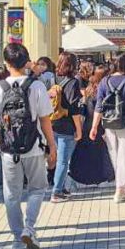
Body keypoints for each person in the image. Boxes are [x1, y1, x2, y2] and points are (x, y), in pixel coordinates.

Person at [0, 44, 56, 249]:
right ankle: (29, 227)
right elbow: (45, 120)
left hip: (9, 150)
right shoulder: (36, 87)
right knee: (37, 189)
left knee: (11, 194)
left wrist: (1, 139)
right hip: (34, 146)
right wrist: (52, 146)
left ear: (6, 63)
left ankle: (17, 239)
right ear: (27, 61)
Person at [90, 53, 125, 203]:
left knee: (115, 154)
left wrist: (94, 127)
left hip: (108, 123)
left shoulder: (104, 81)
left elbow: (99, 106)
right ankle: (121, 188)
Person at [69, 64, 115, 186]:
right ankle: (101, 177)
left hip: (87, 123)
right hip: (98, 124)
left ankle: (81, 177)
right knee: (100, 152)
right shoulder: (105, 89)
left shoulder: (90, 89)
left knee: (85, 152)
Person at [49, 52, 84, 202]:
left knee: (59, 159)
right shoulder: (73, 82)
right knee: (63, 161)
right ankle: (56, 192)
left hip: (52, 124)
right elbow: (74, 109)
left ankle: (61, 186)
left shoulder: (53, 78)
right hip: (66, 125)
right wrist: (79, 129)